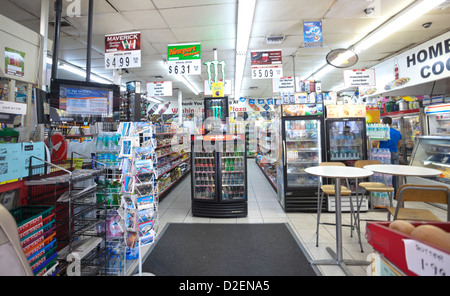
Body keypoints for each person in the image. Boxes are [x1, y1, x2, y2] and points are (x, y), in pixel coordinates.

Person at [372, 116, 402, 196]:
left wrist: (375, 149)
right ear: (391, 123)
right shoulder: (397, 132)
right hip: (394, 153)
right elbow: (400, 144)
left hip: (384, 155)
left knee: (384, 174)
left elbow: (375, 143)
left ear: (383, 123)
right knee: (394, 174)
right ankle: (395, 193)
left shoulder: (382, 132)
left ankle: (385, 193)